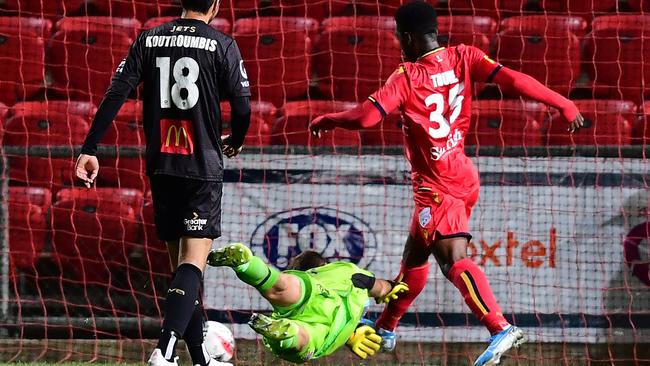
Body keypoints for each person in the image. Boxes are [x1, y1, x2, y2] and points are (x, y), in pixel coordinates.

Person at [308, 2, 584, 365]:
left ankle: (499, 327)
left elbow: (366, 119)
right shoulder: (464, 55)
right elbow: (515, 79)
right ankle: (387, 328)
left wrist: (330, 118)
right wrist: (563, 102)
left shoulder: (406, 76)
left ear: (406, 37)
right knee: (414, 257)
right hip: (463, 174)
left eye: (397, 37)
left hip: (436, 186)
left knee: (452, 259)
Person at [73, 0, 251, 364]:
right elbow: (243, 105)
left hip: (161, 166)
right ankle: (165, 350)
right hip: (200, 165)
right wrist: (237, 137)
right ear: (215, 5)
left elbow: (116, 92)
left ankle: (201, 359)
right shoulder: (222, 44)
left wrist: (90, 147)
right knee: (192, 266)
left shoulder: (148, 38)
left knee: (184, 271)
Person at [207, 243, 409, 363]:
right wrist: (390, 287)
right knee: (304, 338)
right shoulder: (344, 270)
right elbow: (381, 287)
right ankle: (289, 333)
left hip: (307, 293)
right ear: (324, 265)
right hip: (326, 308)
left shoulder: (306, 277)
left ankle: (248, 264)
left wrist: (353, 332)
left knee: (280, 286)